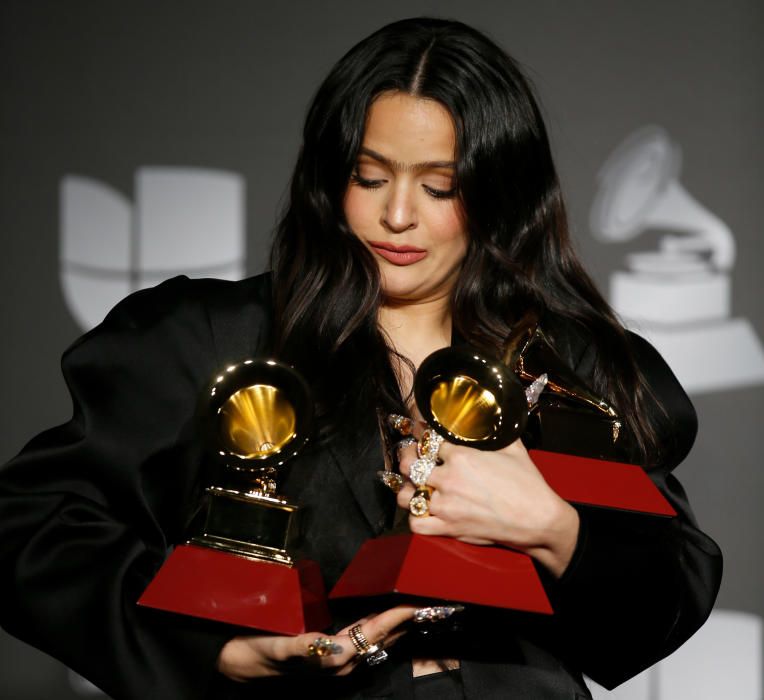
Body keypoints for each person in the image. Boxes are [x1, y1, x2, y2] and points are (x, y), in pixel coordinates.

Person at [0, 17, 722, 700]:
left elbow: (669, 595)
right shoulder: (212, 338)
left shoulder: (574, 366)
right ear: (329, 179)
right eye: (370, 178)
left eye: (440, 187)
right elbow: (29, 529)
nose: (397, 216)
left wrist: (555, 528)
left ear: (502, 194)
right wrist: (207, 648)